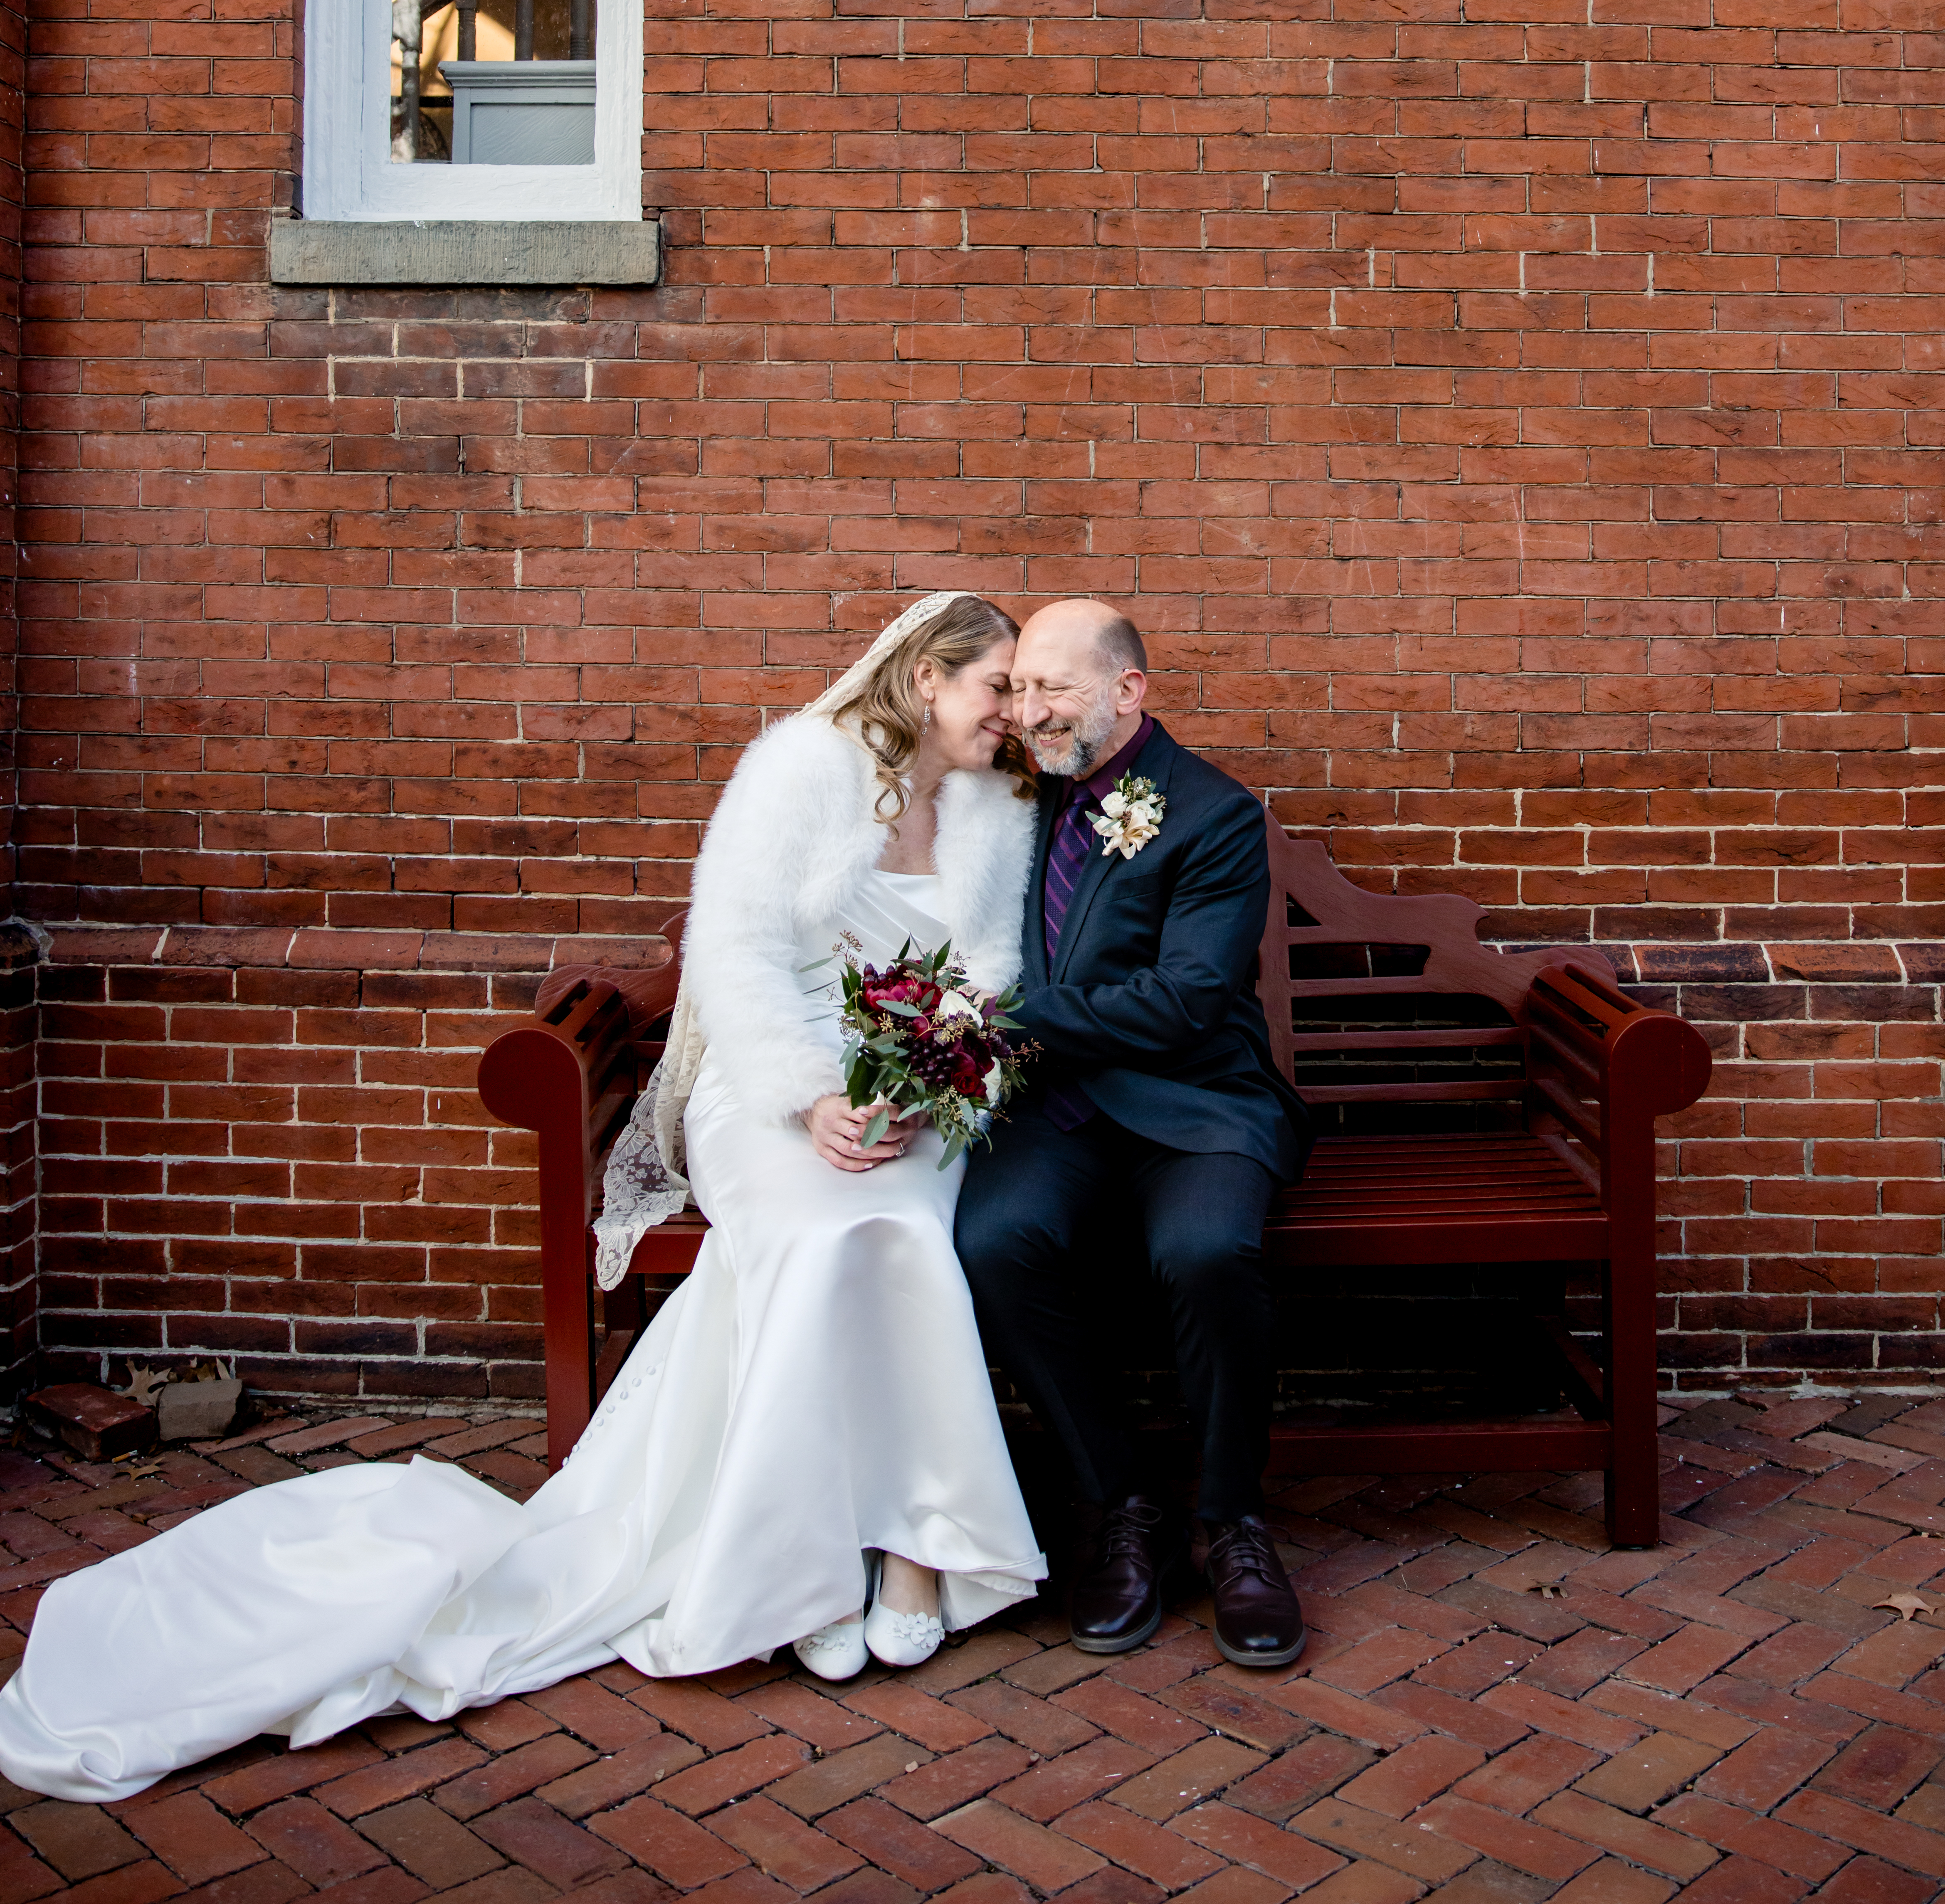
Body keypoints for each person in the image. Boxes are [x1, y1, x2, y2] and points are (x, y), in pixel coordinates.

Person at [0, 594, 1047, 1804]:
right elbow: (736, 951)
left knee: (898, 1221)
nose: (1014, 713)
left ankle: (910, 1552)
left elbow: (988, 976)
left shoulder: (998, 808)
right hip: (768, 1094)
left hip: (915, 1107)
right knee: (823, 1228)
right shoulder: (802, 767)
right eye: (999, 687)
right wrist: (812, 1095)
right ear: (928, 679)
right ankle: (797, 1564)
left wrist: (927, 1086)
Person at [955, 599, 1314, 1670]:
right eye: (1019, 688)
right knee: (991, 1245)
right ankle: (1122, 1502)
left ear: (1129, 690)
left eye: (1055, 688)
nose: (1030, 711)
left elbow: (1186, 999)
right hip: (1057, 1108)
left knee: (1203, 1252)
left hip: (1193, 1102)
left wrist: (1002, 1019)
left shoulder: (1211, 815)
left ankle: (1233, 1523)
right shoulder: (1013, 798)